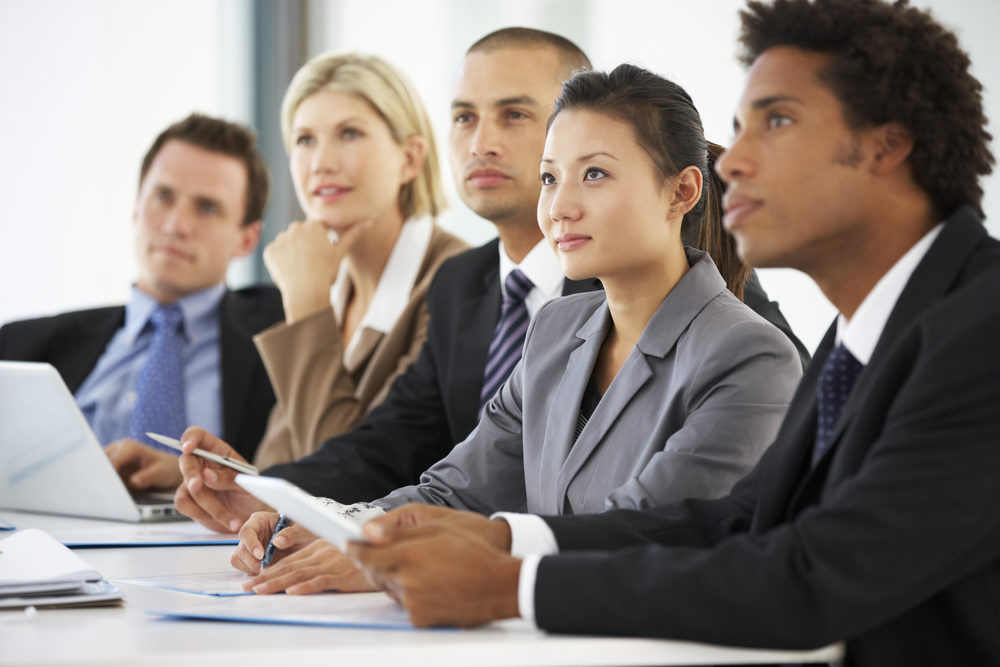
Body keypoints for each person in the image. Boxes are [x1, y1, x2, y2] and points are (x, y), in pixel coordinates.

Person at [345, 1, 1000, 663]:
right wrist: (504, 541)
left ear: (888, 144)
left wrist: (516, 583)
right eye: (739, 127)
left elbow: (814, 575)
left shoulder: (982, 328)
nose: (734, 160)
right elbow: (737, 520)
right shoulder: (863, 336)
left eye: (777, 121)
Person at [175, 28, 805, 534]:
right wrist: (318, 523)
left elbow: (646, 530)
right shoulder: (556, 328)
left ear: (682, 192)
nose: (558, 206)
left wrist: (437, 550)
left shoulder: (747, 348)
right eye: (552, 177)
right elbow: (453, 486)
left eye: (595, 175)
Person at [0, 114, 283, 490]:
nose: (175, 225)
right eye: (162, 197)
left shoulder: (283, 341)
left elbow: (313, 470)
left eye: (207, 208)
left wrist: (203, 477)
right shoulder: (23, 346)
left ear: (247, 240)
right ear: (136, 207)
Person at [236, 52, 466, 470]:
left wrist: (307, 306)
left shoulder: (457, 281)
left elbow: (344, 476)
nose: (321, 163)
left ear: (410, 159)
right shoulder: (332, 280)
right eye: (305, 140)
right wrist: (225, 478)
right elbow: (282, 461)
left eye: (349, 134)